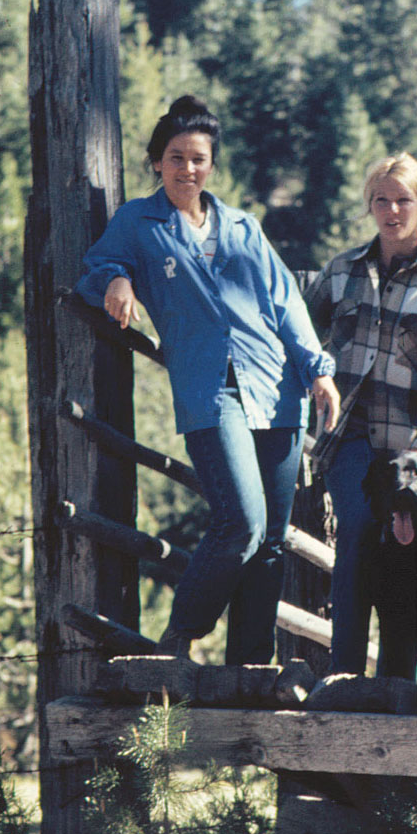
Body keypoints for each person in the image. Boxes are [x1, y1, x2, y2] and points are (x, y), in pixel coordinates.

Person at [75, 95, 340, 663]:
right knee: (241, 522)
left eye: (199, 159)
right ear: (157, 162)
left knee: (271, 541)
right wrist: (116, 281)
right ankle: (179, 640)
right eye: (176, 158)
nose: (188, 169)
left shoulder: (243, 226)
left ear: (212, 165)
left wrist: (318, 370)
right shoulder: (139, 222)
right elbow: (96, 267)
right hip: (210, 392)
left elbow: (285, 303)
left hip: (276, 387)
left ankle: (249, 666)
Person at [304, 153, 417, 679]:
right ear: (369, 205)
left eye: (403, 200)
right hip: (351, 436)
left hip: (416, 445)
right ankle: (344, 679)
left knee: (407, 559)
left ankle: (397, 688)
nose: (392, 210)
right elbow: (301, 332)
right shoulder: (342, 271)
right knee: (357, 537)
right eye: (381, 200)